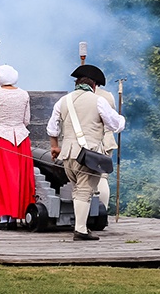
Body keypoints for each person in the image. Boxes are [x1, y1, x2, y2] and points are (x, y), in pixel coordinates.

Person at [47, 65, 125, 241]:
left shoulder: (63, 101)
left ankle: (82, 226)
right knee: (84, 191)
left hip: (68, 155)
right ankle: (81, 230)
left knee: (78, 190)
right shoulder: (98, 100)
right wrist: (122, 119)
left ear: (77, 84)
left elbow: (52, 128)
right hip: (89, 155)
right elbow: (115, 126)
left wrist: (54, 147)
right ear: (94, 85)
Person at [0, 64, 35, 229]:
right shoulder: (24, 94)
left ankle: (5, 218)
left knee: (0, 178)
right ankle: (15, 216)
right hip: (21, 139)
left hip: (0, 139)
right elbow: (26, 120)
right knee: (19, 177)